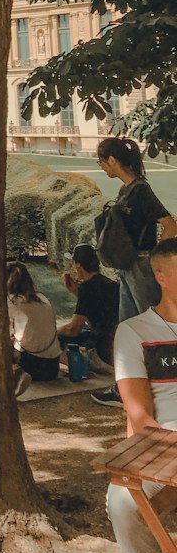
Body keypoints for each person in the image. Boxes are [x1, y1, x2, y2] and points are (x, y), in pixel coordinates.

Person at [92, 136, 177, 408]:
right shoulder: (127, 190)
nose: (103, 167)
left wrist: (153, 257)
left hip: (140, 265)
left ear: (112, 161)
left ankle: (162, 384)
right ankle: (126, 387)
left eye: (102, 162)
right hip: (128, 267)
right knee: (128, 326)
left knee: (149, 324)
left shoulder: (140, 190)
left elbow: (169, 225)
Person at [107, 237, 177, 553]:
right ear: (161, 277)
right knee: (123, 502)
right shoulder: (135, 332)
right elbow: (140, 418)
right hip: (165, 445)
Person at [57, 243, 120, 366]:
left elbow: (73, 329)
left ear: (78, 265)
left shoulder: (87, 287)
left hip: (102, 345)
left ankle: (77, 366)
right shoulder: (110, 284)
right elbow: (97, 308)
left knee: (58, 336)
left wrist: (54, 331)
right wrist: (76, 292)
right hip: (114, 339)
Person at [7, 262, 61, 396]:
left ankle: (16, 372)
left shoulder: (11, 302)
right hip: (53, 367)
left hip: (30, 364)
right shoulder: (43, 298)